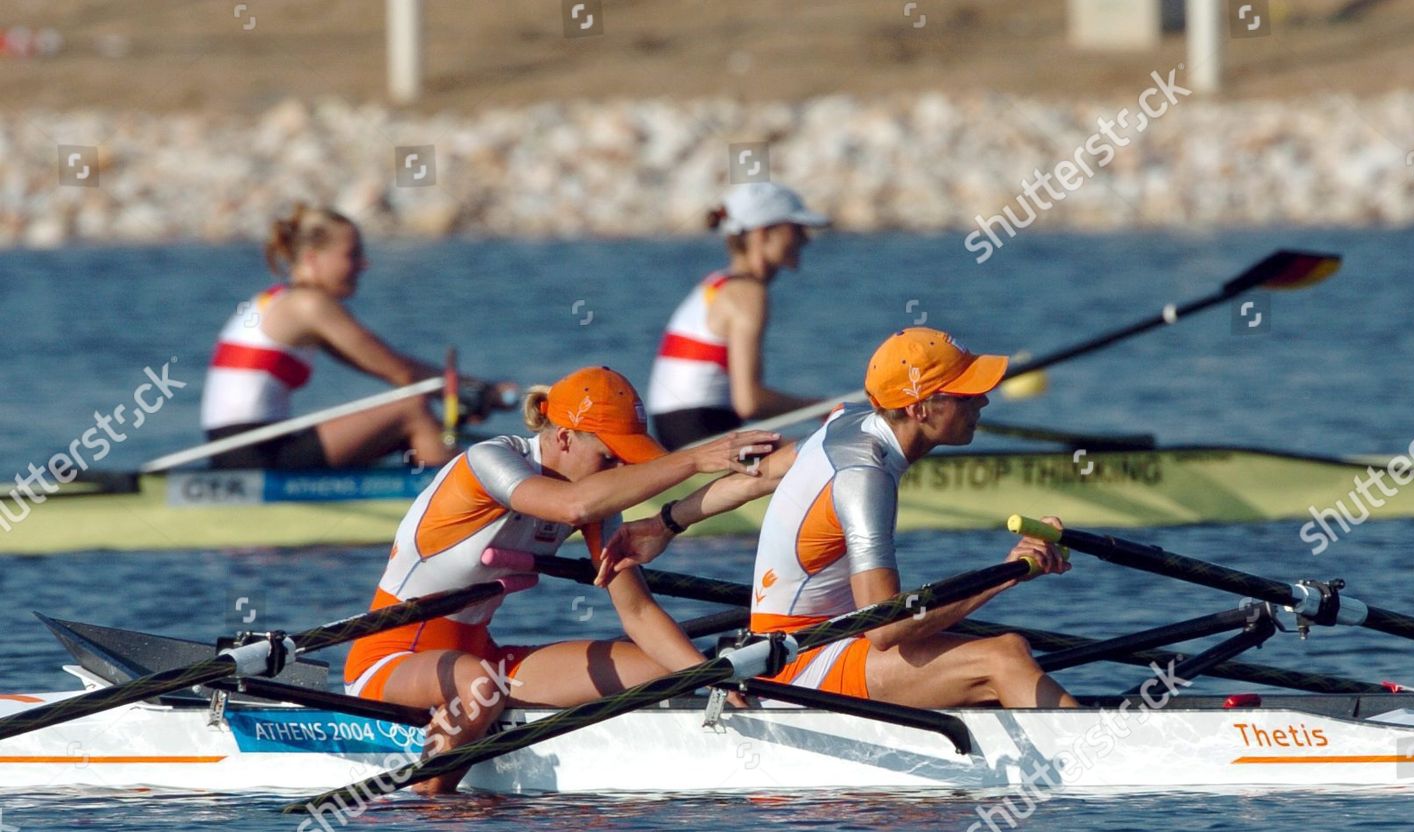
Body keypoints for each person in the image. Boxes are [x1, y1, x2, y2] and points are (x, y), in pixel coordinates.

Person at [342, 366, 778, 794]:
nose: (617, 469)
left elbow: (639, 612)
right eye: (608, 456)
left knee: (667, 672)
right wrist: (695, 459)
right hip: (391, 657)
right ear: (564, 437)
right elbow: (572, 507)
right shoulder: (488, 461)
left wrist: (710, 678)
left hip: (482, 659)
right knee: (479, 685)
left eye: (624, 459)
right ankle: (431, 807)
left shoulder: (597, 500)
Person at [600, 327, 1078, 710]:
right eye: (965, 394)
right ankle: (1086, 765)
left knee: (980, 649)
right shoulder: (864, 475)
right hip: (796, 664)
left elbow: (760, 475)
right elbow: (886, 629)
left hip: (819, 637)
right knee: (1003, 654)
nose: (983, 402)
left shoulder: (846, 422)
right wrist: (1010, 574)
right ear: (919, 407)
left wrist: (664, 524)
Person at [200, 203, 516, 469]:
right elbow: (400, 371)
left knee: (410, 414)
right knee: (412, 409)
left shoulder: (278, 300)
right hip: (254, 453)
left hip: (237, 448)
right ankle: (465, 508)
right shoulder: (309, 305)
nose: (363, 265)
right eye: (352, 255)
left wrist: (463, 394)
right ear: (312, 258)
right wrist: (482, 391)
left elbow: (388, 370)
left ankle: (425, 491)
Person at [645, 181, 830, 449]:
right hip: (701, 437)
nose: (805, 238)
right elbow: (749, 402)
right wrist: (822, 408)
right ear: (763, 234)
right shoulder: (747, 293)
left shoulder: (715, 284)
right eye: (797, 229)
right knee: (835, 451)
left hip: (683, 434)